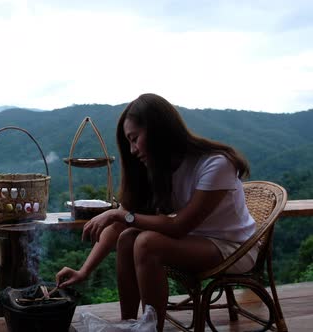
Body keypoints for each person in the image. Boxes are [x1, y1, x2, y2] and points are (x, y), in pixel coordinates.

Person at [55, 93, 256, 331]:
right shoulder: (161, 168)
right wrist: (84, 271)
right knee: (129, 237)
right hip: (194, 242)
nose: (132, 150)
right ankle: (130, 325)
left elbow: (179, 226)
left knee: (147, 242)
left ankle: (151, 329)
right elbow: (122, 225)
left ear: (159, 130)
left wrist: (121, 214)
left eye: (134, 138)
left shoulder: (215, 163)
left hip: (234, 248)